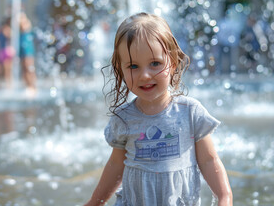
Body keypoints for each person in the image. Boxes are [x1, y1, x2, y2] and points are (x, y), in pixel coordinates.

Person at [84, 13, 233, 206]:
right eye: (133, 66)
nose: (145, 75)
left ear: (172, 62)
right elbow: (115, 166)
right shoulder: (124, 118)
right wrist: (96, 202)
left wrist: (224, 197)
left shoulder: (190, 112)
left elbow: (209, 161)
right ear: (120, 69)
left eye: (155, 63)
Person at [19, 12, 37, 94]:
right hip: (22, 49)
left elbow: (24, 26)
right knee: (24, 69)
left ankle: (33, 86)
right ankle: (27, 85)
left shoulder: (27, 24)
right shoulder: (19, 30)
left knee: (29, 68)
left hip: (28, 50)